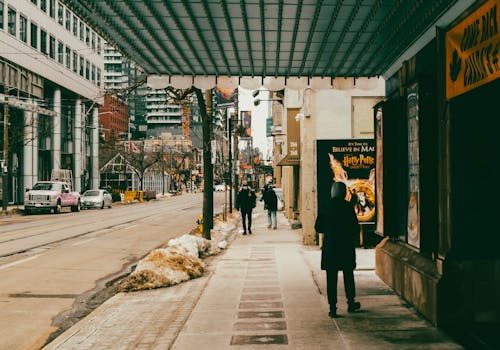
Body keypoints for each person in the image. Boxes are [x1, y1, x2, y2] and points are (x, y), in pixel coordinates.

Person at [315, 181, 361, 318]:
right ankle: (351, 302)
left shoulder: (326, 207)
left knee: (331, 279)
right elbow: (355, 228)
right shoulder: (348, 208)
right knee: (348, 275)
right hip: (345, 246)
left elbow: (318, 227)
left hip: (331, 248)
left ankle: (333, 308)